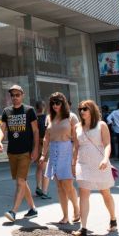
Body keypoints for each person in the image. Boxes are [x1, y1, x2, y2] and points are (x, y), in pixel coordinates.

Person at [73, 100, 117, 236]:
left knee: (105, 193)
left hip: (100, 164)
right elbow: (76, 147)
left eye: (85, 109)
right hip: (83, 164)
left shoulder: (101, 125)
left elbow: (108, 144)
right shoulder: (77, 127)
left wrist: (105, 159)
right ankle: (83, 228)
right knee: (84, 193)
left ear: (91, 110)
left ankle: (113, 219)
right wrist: (73, 164)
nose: (82, 111)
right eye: (80, 109)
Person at [0, 84, 40, 222]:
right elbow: (2, 129)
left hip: (25, 152)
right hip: (12, 152)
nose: (14, 97)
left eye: (17, 95)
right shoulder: (6, 111)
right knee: (21, 181)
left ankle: (14, 211)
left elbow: (35, 131)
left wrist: (35, 149)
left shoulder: (29, 110)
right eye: (12, 95)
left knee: (20, 181)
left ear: (22, 95)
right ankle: (32, 208)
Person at [40, 92, 80, 224]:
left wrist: (75, 158)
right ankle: (65, 216)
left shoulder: (71, 117)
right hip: (54, 151)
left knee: (67, 184)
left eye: (58, 102)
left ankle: (76, 209)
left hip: (67, 151)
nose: (55, 105)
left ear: (63, 103)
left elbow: (76, 139)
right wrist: (43, 154)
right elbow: (46, 137)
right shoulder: (49, 117)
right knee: (59, 187)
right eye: (52, 103)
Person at [34, 100, 51, 200]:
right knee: (46, 169)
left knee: (39, 167)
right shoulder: (47, 118)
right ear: (44, 107)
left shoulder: (34, 119)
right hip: (45, 145)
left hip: (36, 145)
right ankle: (44, 192)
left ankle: (38, 187)